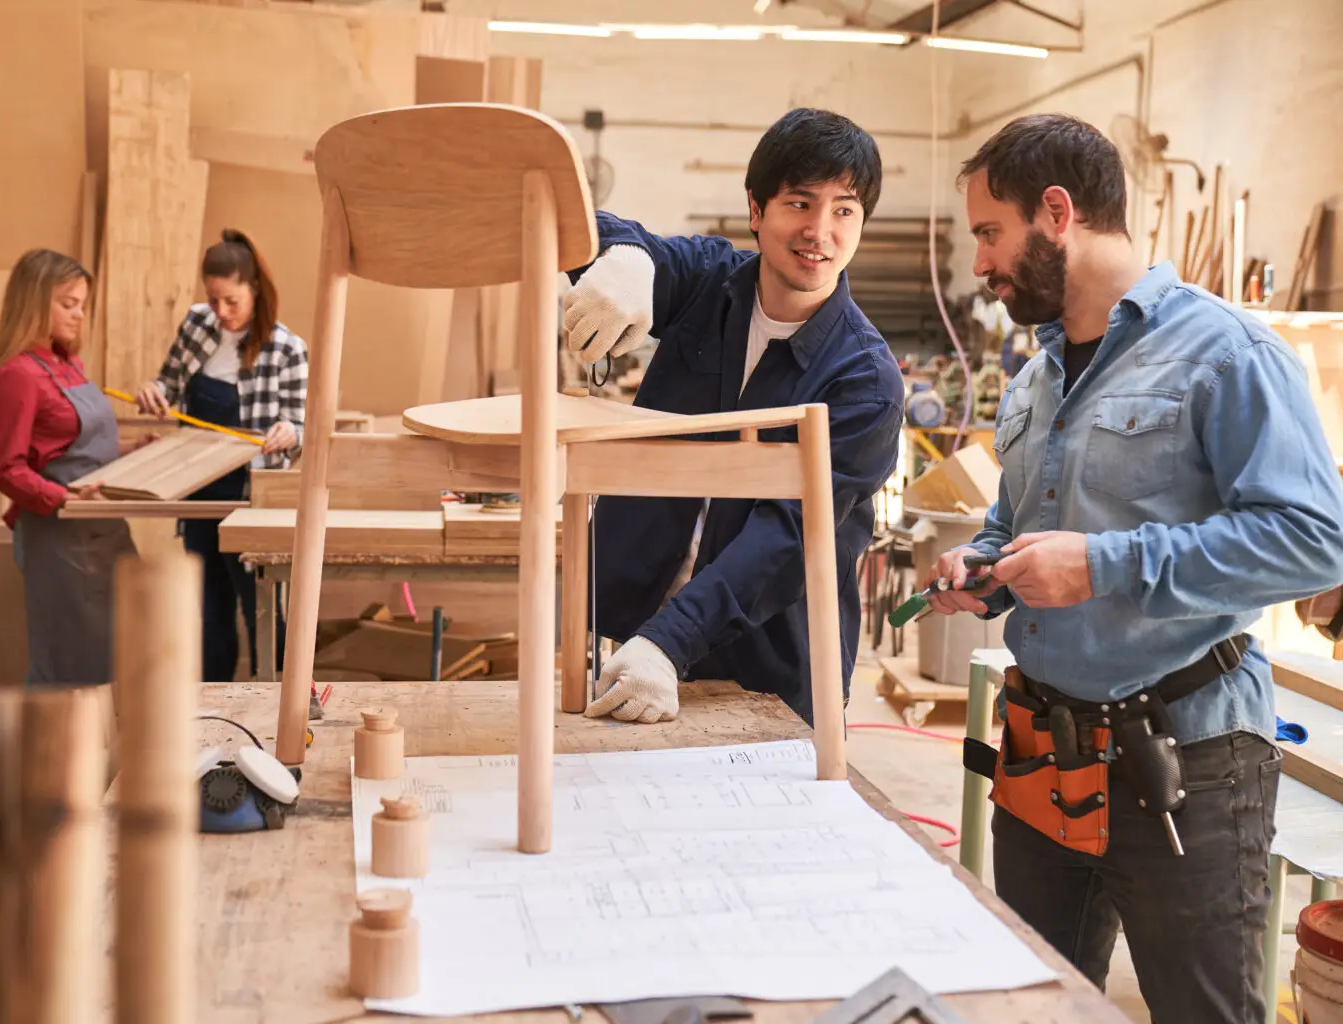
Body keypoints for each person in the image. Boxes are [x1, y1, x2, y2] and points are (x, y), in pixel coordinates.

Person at [922, 114, 1343, 1022]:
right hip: (1044, 761)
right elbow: (1022, 523)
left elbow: (1316, 540)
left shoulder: (1227, 354)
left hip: (1187, 768)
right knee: (1036, 1004)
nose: (982, 264)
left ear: (1057, 212)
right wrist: (987, 562)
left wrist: (1104, 566)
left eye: (991, 233)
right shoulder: (1038, 378)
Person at [563, 107, 905, 727]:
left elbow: (787, 540)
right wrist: (625, 261)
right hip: (634, 640)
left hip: (767, 672)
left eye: (844, 210)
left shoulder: (864, 380)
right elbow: (596, 229)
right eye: (800, 203)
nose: (820, 232)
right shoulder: (708, 286)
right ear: (757, 210)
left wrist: (670, 642)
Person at [135, 229, 307, 682]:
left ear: (254, 289)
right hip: (199, 490)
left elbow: (303, 427)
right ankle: (214, 714)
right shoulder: (197, 325)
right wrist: (154, 391)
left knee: (261, 610)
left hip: (251, 495)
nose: (222, 312)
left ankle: (277, 711)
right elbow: (168, 383)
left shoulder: (287, 349)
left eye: (232, 301)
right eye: (213, 301)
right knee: (211, 612)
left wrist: (289, 432)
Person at [0, 248, 150, 685]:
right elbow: (6, 469)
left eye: (82, 305)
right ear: (36, 301)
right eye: (68, 304)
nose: (79, 315)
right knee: (68, 669)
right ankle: (51, 754)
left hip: (104, 532)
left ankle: (106, 753)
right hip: (60, 540)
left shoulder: (68, 365)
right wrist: (62, 497)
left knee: (116, 660)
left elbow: (80, 452)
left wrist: (139, 450)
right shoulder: (18, 377)